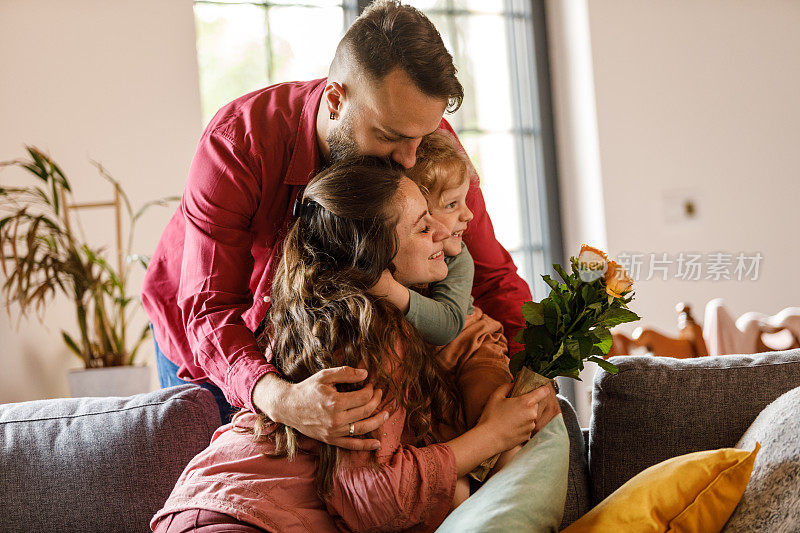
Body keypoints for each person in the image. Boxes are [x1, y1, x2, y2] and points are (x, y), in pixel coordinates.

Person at [141, 1, 541, 445]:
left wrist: (534, 375)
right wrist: (281, 399)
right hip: (211, 338)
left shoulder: (424, 140)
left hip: (332, 344)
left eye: (421, 137)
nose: (410, 159)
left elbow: (491, 274)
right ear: (335, 100)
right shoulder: (238, 143)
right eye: (391, 137)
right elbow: (210, 306)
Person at [150, 158, 554, 532]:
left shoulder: (387, 321)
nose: (443, 232)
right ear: (377, 253)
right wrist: (493, 435)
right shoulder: (360, 332)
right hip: (237, 519)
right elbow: (376, 497)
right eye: (421, 226)